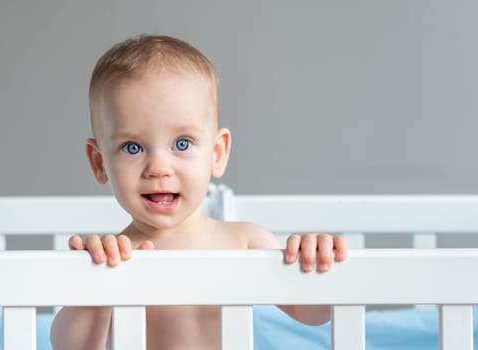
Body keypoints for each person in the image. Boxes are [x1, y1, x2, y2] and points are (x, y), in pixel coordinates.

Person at [50, 34, 347, 350]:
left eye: (182, 144)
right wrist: (96, 288)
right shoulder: (113, 257)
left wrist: (315, 263)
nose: (158, 168)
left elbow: (311, 313)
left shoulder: (245, 242)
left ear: (217, 153)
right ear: (99, 162)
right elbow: (71, 346)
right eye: (132, 147)